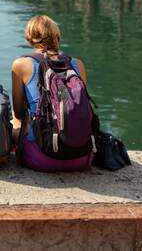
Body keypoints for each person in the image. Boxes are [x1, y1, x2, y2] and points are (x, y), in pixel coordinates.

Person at [11, 15, 93, 172]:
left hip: (42, 159)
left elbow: (19, 112)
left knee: (14, 119)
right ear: (57, 37)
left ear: (30, 39)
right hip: (82, 157)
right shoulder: (77, 64)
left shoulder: (21, 65)